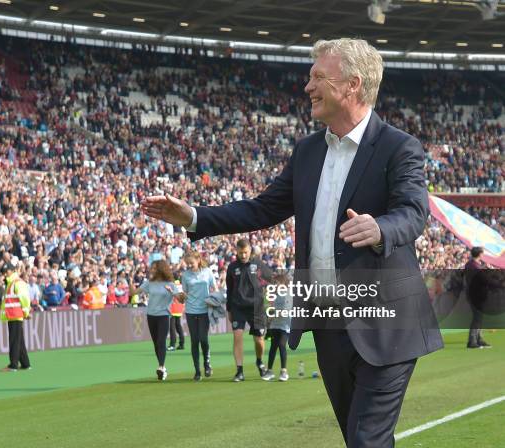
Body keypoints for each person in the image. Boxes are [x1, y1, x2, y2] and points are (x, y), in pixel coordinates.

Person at [141, 38, 443, 447]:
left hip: (386, 321)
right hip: (328, 322)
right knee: (359, 438)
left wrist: (381, 229)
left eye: (318, 77)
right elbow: (263, 209)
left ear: (352, 84)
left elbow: (414, 211)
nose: (307, 87)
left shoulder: (398, 146)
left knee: (367, 440)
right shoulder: (307, 151)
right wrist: (194, 216)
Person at [226, 239, 273, 382]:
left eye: (245, 252)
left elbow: (270, 279)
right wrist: (229, 309)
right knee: (237, 336)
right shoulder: (232, 267)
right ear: (237, 251)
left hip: (256, 307)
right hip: (238, 307)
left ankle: (259, 361)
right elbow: (229, 289)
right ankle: (239, 371)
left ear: (250, 250)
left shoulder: (258, 264)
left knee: (259, 339)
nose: (243, 255)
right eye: (240, 253)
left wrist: (269, 301)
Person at [128, 260, 176, 381]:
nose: (151, 270)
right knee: (156, 343)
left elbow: (180, 298)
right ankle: (162, 368)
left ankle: (161, 366)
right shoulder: (149, 283)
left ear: (161, 269)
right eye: (152, 268)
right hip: (151, 315)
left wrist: (172, 292)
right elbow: (133, 292)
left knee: (161, 341)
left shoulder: (170, 284)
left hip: (164, 315)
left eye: (154, 268)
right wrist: (130, 282)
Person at [177, 250, 216, 381]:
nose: (189, 265)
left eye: (191, 263)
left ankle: (207, 363)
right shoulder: (185, 275)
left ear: (198, 260)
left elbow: (214, 289)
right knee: (194, 341)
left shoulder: (208, 272)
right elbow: (184, 294)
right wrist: (181, 296)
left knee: (203, 339)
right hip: (191, 311)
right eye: (187, 263)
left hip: (205, 310)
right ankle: (197, 371)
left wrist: (215, 301)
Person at [0, 263, 32, 372]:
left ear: (12, 271)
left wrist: (26, 312)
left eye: (7, 271)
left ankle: (13, 365)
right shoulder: (10, 283)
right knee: (19, 340)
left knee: (14, 340)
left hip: (15, 314)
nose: (5, 273)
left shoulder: (17, 283)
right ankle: (25, 363)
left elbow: (25, 298)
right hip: (13, 314)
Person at [263, 272, 293, 382]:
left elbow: (285, 311)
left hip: (285, 326)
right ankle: (269, 371)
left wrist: (272, 313)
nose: (275, 285)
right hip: (275, 325)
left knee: (281, 345)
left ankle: (284, 371)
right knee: (273, 347)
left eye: (277, 282)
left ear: (284, 283)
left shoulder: (288, 294)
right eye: (274, 283)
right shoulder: (274, 295)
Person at [464, 246, 491, 349]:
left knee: (479, 318)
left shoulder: (472, 265)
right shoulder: (474, 266)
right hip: (476, 295)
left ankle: (478, 339)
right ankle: (472, 341)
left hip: (476, 294)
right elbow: (484, 280)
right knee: (477, 318)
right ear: (480, 254)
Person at [167, 282, 185, 351]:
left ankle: (172, 345)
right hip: (180, 307)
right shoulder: (181, 285)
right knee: (178, 326)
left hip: (173, 307)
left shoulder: (172, 285)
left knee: (172, 327)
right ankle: (181, 344)